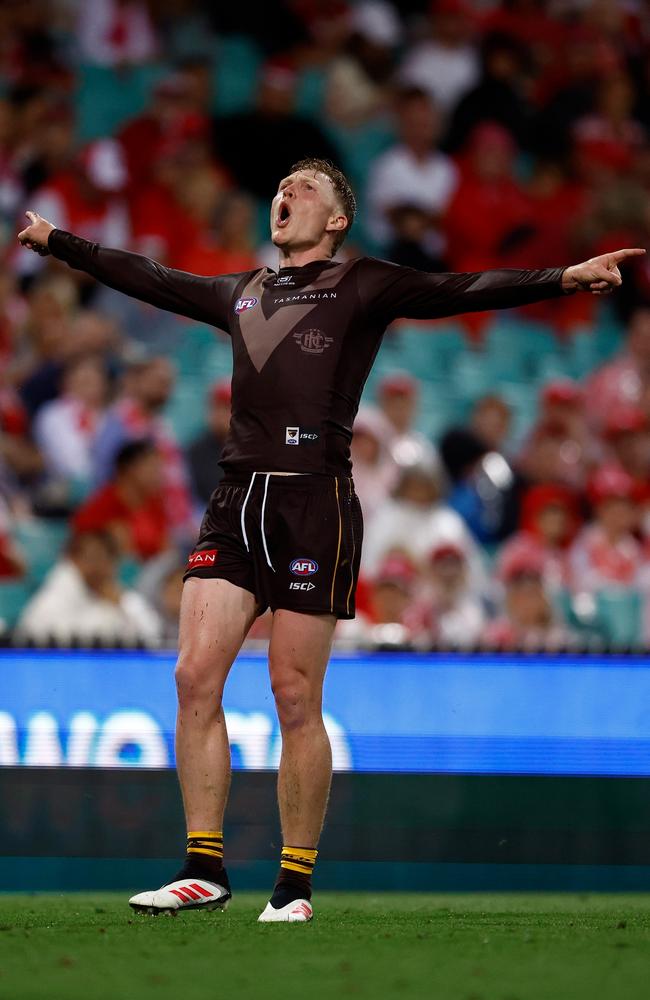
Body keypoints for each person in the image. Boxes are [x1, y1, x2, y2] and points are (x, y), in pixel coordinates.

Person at [18, 156, 641, 923]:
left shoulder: (363, 283)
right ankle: (203, 867)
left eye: (304, 187)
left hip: (316, 501)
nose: (285, 193)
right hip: (236, 498)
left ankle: (294, 883)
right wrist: (60, 243)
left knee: (293, 692)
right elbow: (148, 274)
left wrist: (565, 278)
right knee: (192, 677)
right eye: (279, 185)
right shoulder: (240, 291)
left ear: (337, 218)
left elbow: (463, 290)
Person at [17, 530, 161, 645]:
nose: (99, 565)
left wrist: (121, 605)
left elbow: (153, 633)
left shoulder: (118, 595)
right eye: (92, 557)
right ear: (72, 558)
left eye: (105, 558)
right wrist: (108, 610)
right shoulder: (53, 599)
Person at [72, 439, 169, 561]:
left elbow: (165, 547)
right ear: (129, 469)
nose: (158, 475)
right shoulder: (103, 506)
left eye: (158, 469)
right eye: (152, 468)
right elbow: (79, 542)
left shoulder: (155, 503)